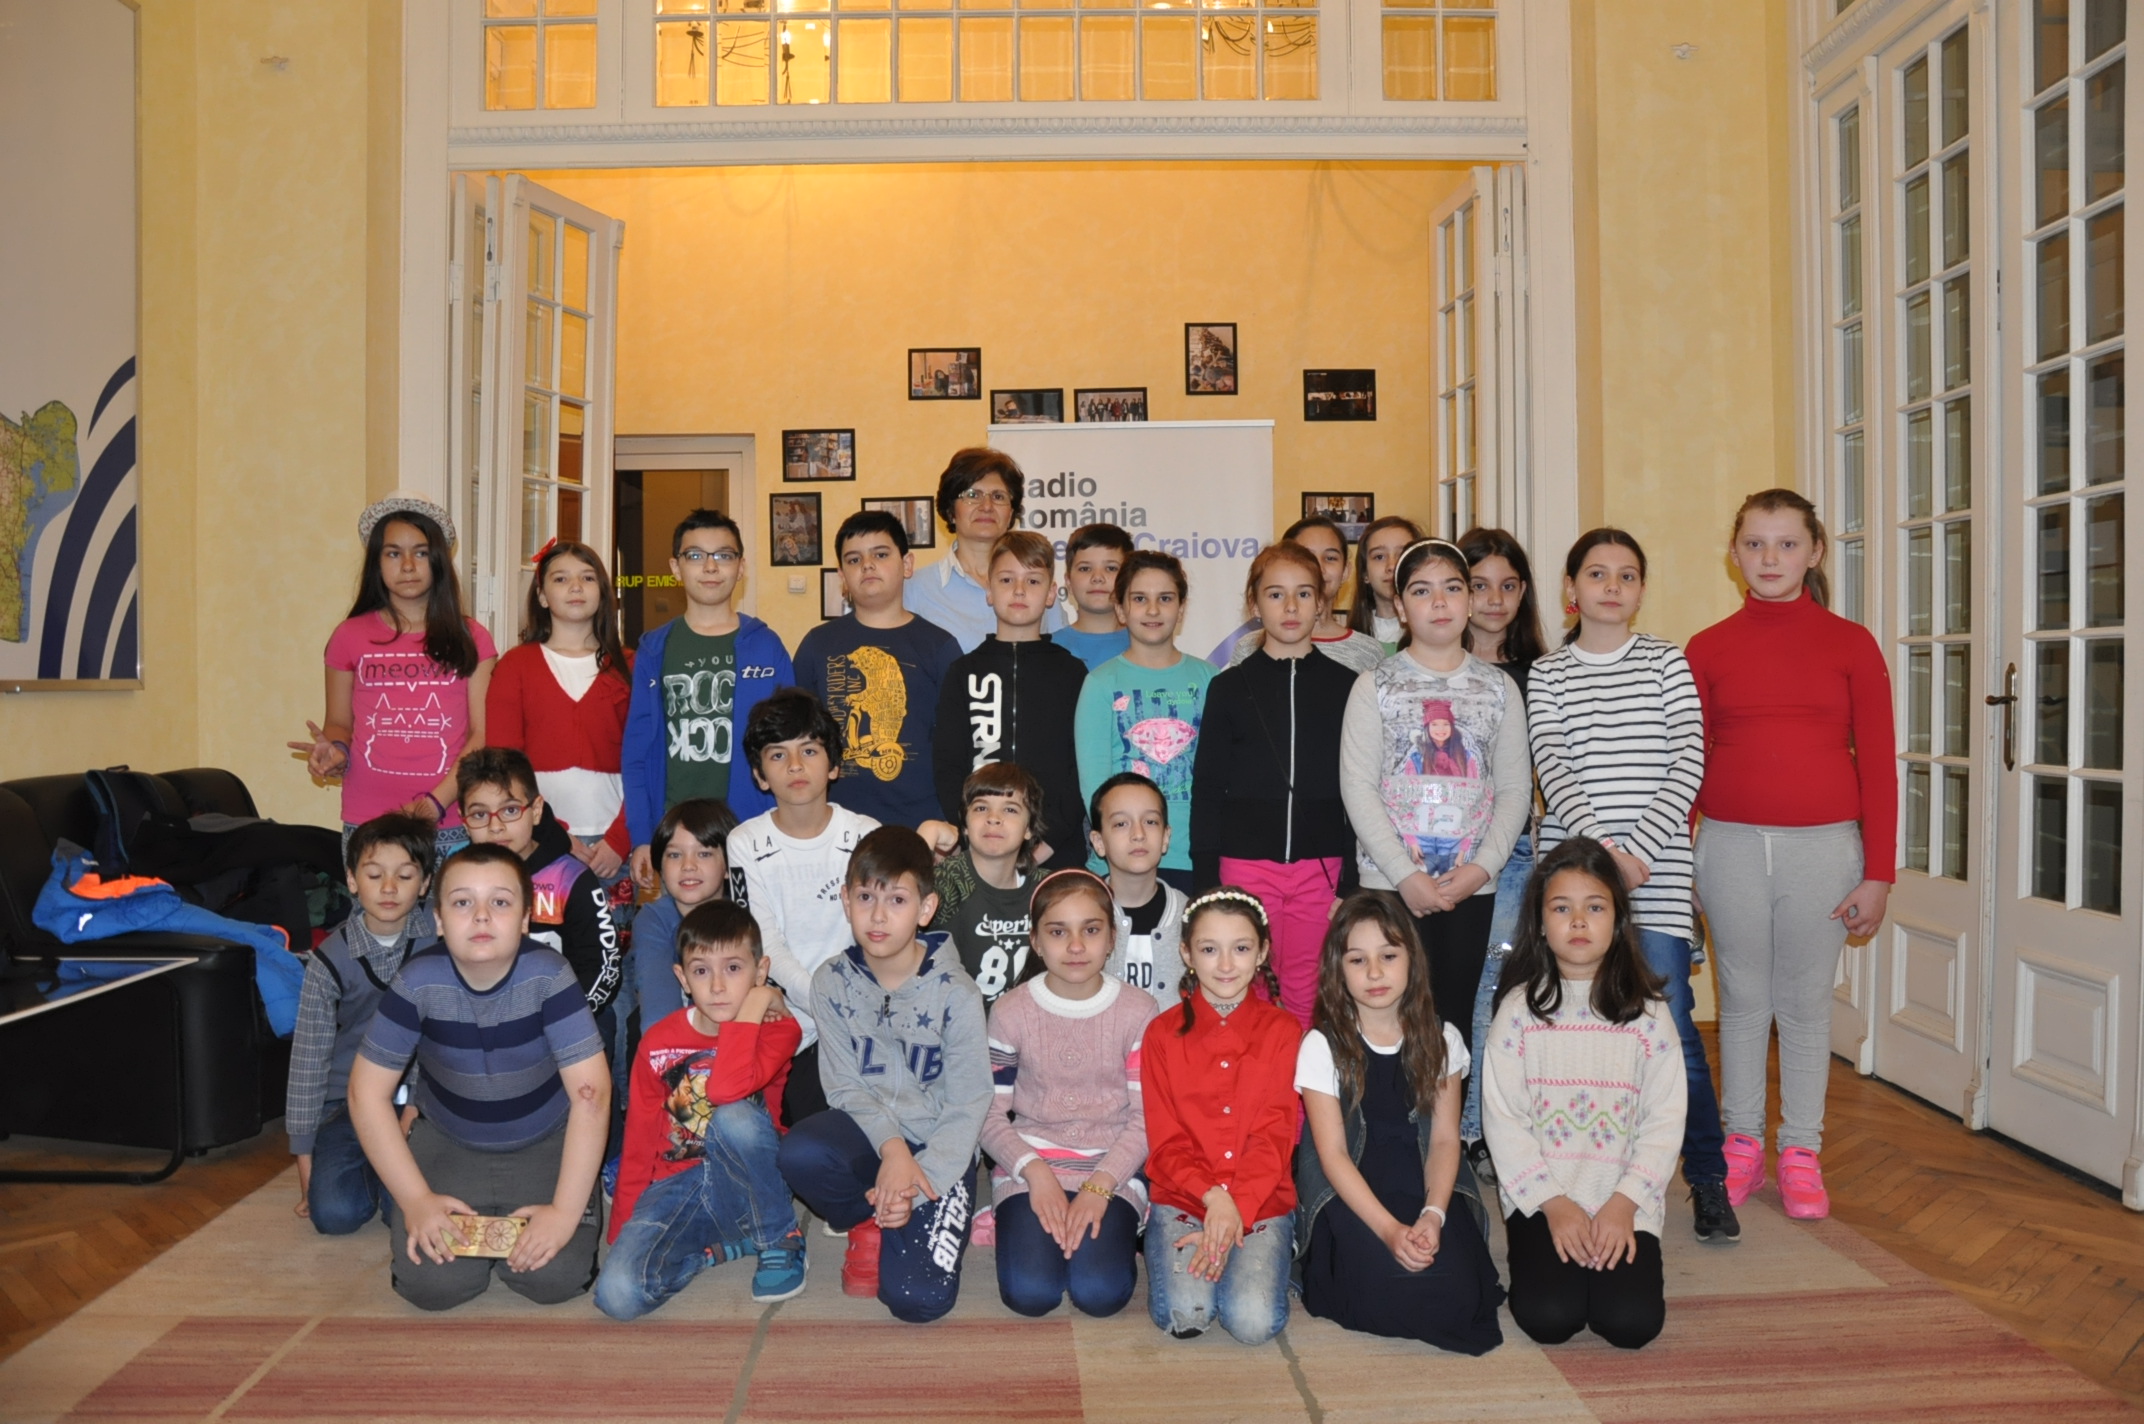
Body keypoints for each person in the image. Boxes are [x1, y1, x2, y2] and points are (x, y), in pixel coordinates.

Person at [1686, 489, 1895, 1222]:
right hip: (1730, 847)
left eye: (1785, 544)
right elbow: (1689, 762)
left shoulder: (1852, 644)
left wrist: (1879, 874)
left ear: (1814, 553)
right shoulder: (1707, 647)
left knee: (1805, 1006)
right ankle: (1741, 1143)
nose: (1769, 558)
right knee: (1742, 1002)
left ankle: (1801, 1150)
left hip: (1825, 850)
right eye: (1755, 543)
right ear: (1734, 553)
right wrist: (1685, 862)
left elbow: (1879, 765)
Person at [1526, 527, 1729, 1241]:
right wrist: (1602, 863)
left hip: (1659, 873)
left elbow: (1688, 761)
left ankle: (1707, 1177)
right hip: (1579, 877)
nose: (1612, 587)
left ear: (1641, 589)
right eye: (1597, 574)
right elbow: (1554, 764)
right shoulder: (1548, 674)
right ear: (1570, 589)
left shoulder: (1667, 662)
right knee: (1572, 1025)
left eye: (1627, 575)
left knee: (1671, 1031)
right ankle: (1573, 1177)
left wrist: (1636, 853)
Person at [347, 843, 610, 1310]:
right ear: (439, 920)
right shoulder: (416, 980)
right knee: (433, 1287)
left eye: (500, 902)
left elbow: (592, 1096)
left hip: (546, 1141)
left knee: (553, 1279)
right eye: (463, 902)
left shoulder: (550, 975)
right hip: (449, 1141)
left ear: (525, 919)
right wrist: (417, 1200)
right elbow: (365, 1095)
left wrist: (565, 1212)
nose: (482, 916)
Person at [776, 827, 991, 1323]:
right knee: (800, 1152)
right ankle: (870, 1214)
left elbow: (968, 1105)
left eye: (896, 899)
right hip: (872, 1134)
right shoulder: (831, 981)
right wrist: (893, 1152)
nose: (877, 916)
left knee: (917, 1300)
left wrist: (916, 1181)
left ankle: (894, 1205)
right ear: (845, 900)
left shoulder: (956, 993)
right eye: (865, 897)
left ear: (925, 908)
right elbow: (844, 1087)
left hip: (940, 1147)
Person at [1481, 836, 1686, 1351]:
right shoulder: (1517, 1012)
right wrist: (1553, 1204)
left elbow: (1665, 1120)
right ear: (1539, 923)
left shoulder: (1649, 1014)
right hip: (1542, 1200)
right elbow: (1503, 1122)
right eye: (1561, 908)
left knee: (1630, 1324)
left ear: (1617, 921)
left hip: (1623, 1199)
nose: (1577, 921)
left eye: (1594, 908)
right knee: (1550, 1318)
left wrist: (1624, 1204)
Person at [1340, 539, 1528, 1058]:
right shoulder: (1374, 686)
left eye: (1452, 588)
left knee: (1453, 1024)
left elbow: (1515, 789)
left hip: (1471, 886)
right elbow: (1358, 787)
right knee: (1388, 1022)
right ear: (1401, 607)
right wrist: (1405, 874)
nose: (1439, 602)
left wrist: (1482, 868)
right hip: (1391, 885)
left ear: (1469, 599)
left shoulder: (1499, 689)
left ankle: (1447, 1115)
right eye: (1421, 591)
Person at [1295, 892, 1503, 1354]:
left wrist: (1434, 1215)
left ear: (1412, 959)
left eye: (1388, 956)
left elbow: (1445, 1142)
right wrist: (1390, 1230)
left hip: (1424, 1181)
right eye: (1357, 960)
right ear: (1337, 969)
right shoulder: (1321, 1045)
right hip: (1353, 1191)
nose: (1374, 973)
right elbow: (1333, 1156)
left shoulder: (1442, 1038)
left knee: (1458, 1299)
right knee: (1386, 1292)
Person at [597, 901, 806, 1318]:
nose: (717, 986)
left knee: (734, 1117)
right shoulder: (658, 1042)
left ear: (760, 971)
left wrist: (757, 1003)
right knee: (617, 1295)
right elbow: (639, 1137)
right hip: (679, 1185)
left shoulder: (778, 1028)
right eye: (701, 971)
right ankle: (719, 1249)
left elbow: (726, 1089)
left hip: (750, 1182)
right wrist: (624, 1228)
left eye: (734, 968)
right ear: (682, 978)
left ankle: (779, 1237)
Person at [1190, 542, 1358, 1027]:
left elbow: (1359, 788)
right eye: (1275, 594)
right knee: (1247, 990)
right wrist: (1206, 880)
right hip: (1244, 866)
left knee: (1308, 991)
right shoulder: (1228, 687)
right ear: (1254, 603)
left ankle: (1302, 1081)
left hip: (1320, 869)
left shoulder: (1347, 686)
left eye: (1304, 594)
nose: (1290, 607)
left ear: (1322, 602)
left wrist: (1349, 877)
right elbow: (1207, 788)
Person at [983, 869, 1162, 1318]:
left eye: (1091, 930)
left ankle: (1118, 1236)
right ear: (1036, 941)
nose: (1076, 946)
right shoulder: (1010, 1011)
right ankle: (1013, 1226)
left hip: (1111, 1167)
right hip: (1031, 1164)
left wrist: (1099, 1186)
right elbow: (988, 1115)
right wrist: (1035, 1173)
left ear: (1112, 938)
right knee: (1031, 1294)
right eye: (1058, 932)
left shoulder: (1139, 1011)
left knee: (1099, 1294)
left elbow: (1146, 1118)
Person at [294, 493, 496, 861]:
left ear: (438, 560)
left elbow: (481, 735)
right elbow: (339, 723)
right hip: (368, 819)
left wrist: (434, 804)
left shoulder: (473, 638)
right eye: (392, 553)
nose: (407, 565)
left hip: (449, 821)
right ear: (376, 562)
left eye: (421, 552)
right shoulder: (348, 636)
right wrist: (336, 752)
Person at [1140, 888, 1302, 1345]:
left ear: (1262, 952)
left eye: (1241, 948)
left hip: (1261, 1201)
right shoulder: (1161, 1033)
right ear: (1186, 953)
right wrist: (1215, 1199)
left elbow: (1274, 1136)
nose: (1226, 964)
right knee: (1186, 1314)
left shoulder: (1284, 1031)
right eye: (1210, 949)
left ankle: (1273, 1250)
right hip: (1186, 1198)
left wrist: (1237, 1209)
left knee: (1251, 1323)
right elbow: (1165, 1142)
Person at [621, 509, 794, 893]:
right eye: (696, 555)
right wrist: (641, 836)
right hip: (676, 832)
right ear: (676, 567)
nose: (711, 566)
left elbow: (790, 746)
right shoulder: (654, 648)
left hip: (752, 829)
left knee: (746, 928)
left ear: (741, 567)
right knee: (684, 928)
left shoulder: (766, 646)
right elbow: (637, 751)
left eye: (724, 555)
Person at [727, 689, 877, 1130]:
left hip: (860, 1015)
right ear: (760, 775)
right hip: (783, 1015)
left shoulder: (866, 835)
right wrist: (822, 1003)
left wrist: (844, 1010)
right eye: (778, 755)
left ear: (833, 765)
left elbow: (878, 937)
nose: (795, 766)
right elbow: (763, 941)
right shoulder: (744, 843)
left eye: (809, 751)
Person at [287, 812, 437, 1234]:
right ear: (352, 880)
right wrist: (305, 1162)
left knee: (404, 1212)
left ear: (425, 883)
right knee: (334, 1214)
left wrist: (414, 1109)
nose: (388, 888)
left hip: (424, 1101)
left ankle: (386, 1171)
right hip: (349, 1101)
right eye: (374, 875)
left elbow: (440, 1034)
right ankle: (368, 1164)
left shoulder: (440, 938)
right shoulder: (328, 960)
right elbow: (308, 1060)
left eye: (404, 876)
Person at [1453, 525, 1548, 1154]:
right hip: (1440, 850)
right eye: (1479, 585)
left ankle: (1481, 1132)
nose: (1494, 600)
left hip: (1513, 851)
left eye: (1508, 586)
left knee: (1500, 987)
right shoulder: (1429, 665)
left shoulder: (1543, 673)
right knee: (1447, 988)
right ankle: (1450, 1129)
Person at [798, 510, 961, 829]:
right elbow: (798, 737)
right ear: (842, 575)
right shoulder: (817, 645)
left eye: (881, 554)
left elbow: (957, 745)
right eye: (854, 559)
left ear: (907, 564)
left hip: (921, 824)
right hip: (835, 825)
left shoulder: (939, 646)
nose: (867, 565)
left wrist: (948, 823)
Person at [932, 530, 1088, 863]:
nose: (1019, 590)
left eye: (1033, 581)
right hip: (980, 851)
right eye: (1006, 579)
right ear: (989, 591)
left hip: (1056, 854)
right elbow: (948, 765)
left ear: (1051, 594)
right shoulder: (963, 672)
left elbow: (1082, 770)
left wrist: (1045, 847)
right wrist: (971, 835)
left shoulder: (1072, 673)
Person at [486, 540, 634, 886]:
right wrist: (551, 832)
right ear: (541, 596)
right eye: (561, 579)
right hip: (536, 839)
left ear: (603, 592)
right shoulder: (515, 665)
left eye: (587, 577)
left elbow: (646, 761)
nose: (575, 587)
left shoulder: (631, 665)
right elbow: (503, 764)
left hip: (612, 849)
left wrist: (620, 839)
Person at [1074, 551, 1214, 894]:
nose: (1153, 610)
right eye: (1139, 599)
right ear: (1121, 610)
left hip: (1194, 858)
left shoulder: (1211, 679)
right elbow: (1094, 786)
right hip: (1119, 863)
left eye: (1165, 598)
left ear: (1181, 608)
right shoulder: (1099, 683)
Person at [457, 748, 623, 1037]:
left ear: (535, 811)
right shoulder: (457, 881)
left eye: (510, 810)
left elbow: (602, 966)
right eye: (480, 814)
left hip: (564, 1021)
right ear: (464, 821)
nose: (496, 827)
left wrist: (559, 1022)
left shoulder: (571, 878)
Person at [905, 446, 1065, 652]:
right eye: (973, 495)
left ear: (1011, 513)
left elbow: (1062, 655)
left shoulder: (1036, 585)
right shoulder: (915, 589)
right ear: (951, 511)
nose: (987, 506)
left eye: (998, 496)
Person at [932, 762, 1043, 1008]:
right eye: (981, 808)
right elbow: (897, 898)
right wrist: (926, 835)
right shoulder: (948, 881)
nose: (993, 818)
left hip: (1025, 1026)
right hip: (953, 1026)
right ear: (965, 826)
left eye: (1010, 809)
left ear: (1029, 829)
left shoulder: (1047, 890)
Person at [1219, 519, 1384, 673]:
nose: (1319, 567)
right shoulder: (1248, 647)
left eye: (1330, 558)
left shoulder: (1368, 652)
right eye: (1305, 556)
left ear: (1346, 571)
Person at [629, 797, 739, 1029]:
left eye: (704, 854)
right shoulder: (653, 920)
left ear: (729, 865)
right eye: (675, 855)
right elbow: (658, 1014)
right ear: (660, 866)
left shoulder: (746, 918)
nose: (688, 866)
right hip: (675, 1043)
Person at [1089, 772, 1183, 1013]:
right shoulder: (1083, 914)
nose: (1139, 834)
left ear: (1166, 837)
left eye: (1150, 822)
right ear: (1099, 842)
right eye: (1121, 824)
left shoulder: (1190, 916)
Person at [1054, 523, 1133, 670]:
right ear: (1068, 582)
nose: (1097, 577)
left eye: (1111, 568)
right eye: (1085, 568)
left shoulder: (1144, 644)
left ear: (1128, 580)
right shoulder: (1050, 648)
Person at [1348, 516, 1425, 654]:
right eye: (1379, 557)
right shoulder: (1348, 644)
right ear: (1365, 573)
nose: (1391, 566)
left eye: (1401, 555)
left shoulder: (1437, 636)